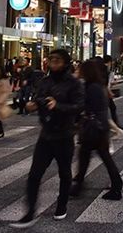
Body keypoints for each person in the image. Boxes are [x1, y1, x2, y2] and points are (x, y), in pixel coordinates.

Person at [10, 50, 84, 228]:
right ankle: (30, 212)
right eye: (51, 60)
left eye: (57, 61)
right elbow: (38, 99)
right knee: (34, 174)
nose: (53, 64)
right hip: (46, 134)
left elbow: (79, 106)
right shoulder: (44, 81)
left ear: (65, 63)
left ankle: (62, 204)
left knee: (64, 173)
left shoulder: (73, 83)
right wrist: (32, 105)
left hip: (65, 134)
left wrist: (58, 105)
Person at [70, 59, 123, 200]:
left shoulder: (91, 87)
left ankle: (115, 186)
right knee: (88, 157)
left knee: (92, 157)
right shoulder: (97, 86)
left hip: (94, 128)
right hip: (98, 127)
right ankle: (79, 185)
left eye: (81, 69)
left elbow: (85, 107)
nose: (79, 71)